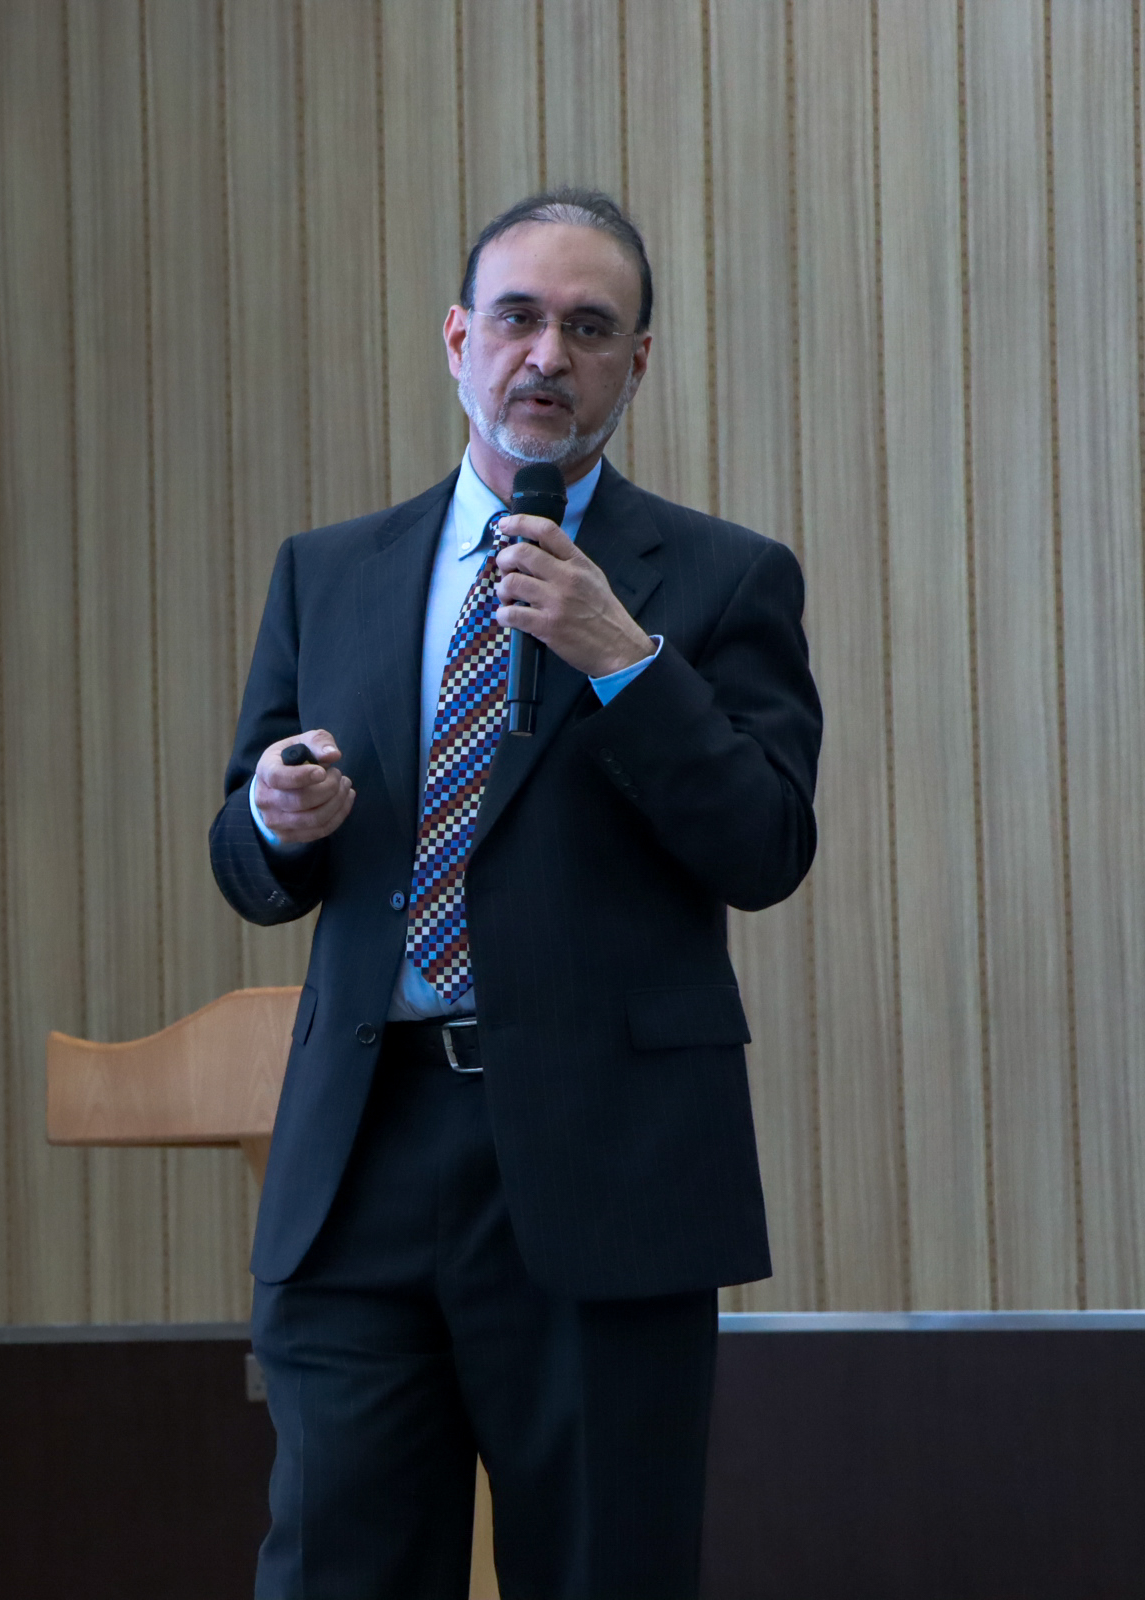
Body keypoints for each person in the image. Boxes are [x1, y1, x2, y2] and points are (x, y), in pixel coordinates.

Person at [210, 188, 821, 1598]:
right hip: (361, 1158)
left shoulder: (723, 579)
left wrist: (626, 662)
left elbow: (765, 846)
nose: (548, 356)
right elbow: (248, 863)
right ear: (457, 339)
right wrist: (277, 819)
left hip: (607, 1167)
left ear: (636, 363)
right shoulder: (330, 573)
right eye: (519, 319)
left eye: (591, 329)